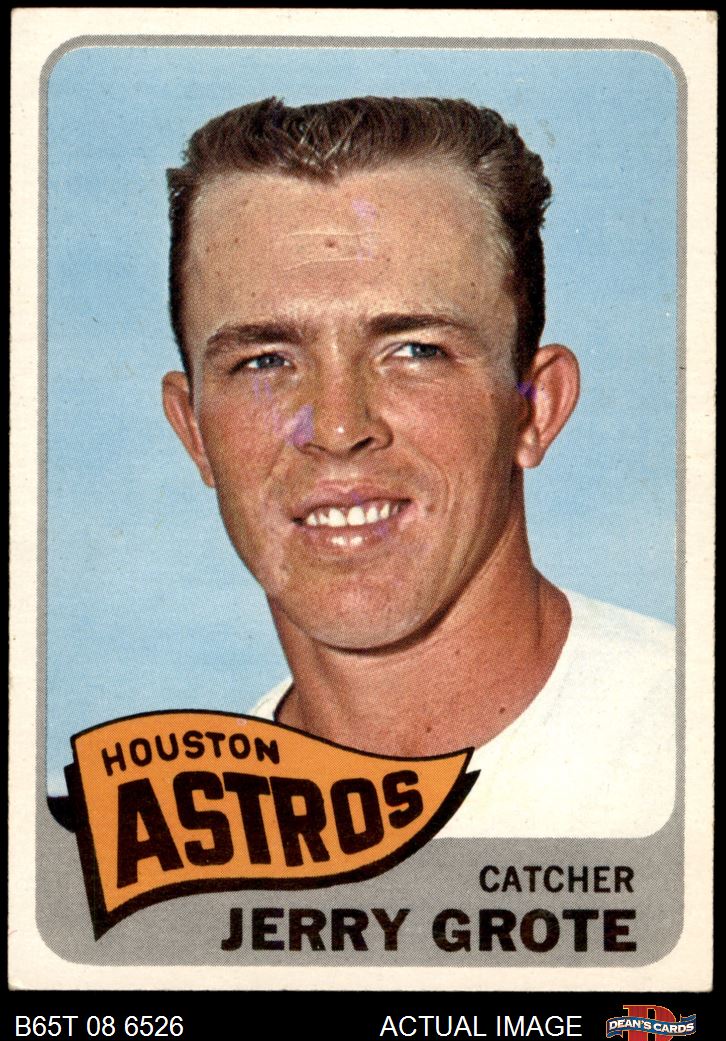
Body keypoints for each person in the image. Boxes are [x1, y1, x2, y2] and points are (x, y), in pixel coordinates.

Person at [162, 97, 674, 837]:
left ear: (535, 408)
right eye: (265, 361)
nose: (338, 428)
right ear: (194, 431)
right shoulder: (179, 845)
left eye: (415, 351)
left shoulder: (682, 747)